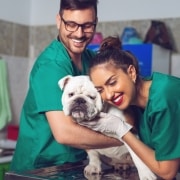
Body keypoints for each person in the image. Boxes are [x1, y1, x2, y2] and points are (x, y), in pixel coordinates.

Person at [10, 1, 126, 172]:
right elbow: (65, 133)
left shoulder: (90, 59)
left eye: (87, 25)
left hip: (76, 163)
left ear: (95, 23)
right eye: (71, 24)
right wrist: (126, 139)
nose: (79, 34)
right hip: (41, 168)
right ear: (59, 20)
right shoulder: (51, 66)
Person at [87, 36, 180, 179]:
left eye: (112, 83)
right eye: (100, 90)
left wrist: (121, 130)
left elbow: (167, 172)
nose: (109, 94)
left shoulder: (163, 97)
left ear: (131, 72)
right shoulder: (134, 104)